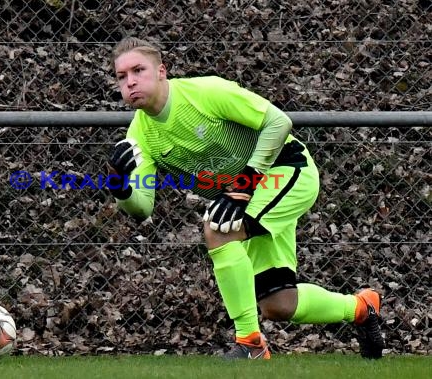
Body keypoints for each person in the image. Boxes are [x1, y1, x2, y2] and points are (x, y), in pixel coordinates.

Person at [106, 37, 385, 359]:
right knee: (280, 305)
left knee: (217, 229)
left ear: (161, 72)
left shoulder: (206, 92)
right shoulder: (139, 135)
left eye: (138, 70)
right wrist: (119, 185)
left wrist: (242, 188)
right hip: (247, 196)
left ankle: (249, 343)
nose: (130, 81)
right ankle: (363, 308)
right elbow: (142, 208)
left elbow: (278, 122)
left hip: (286, 170)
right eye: (121, 76)